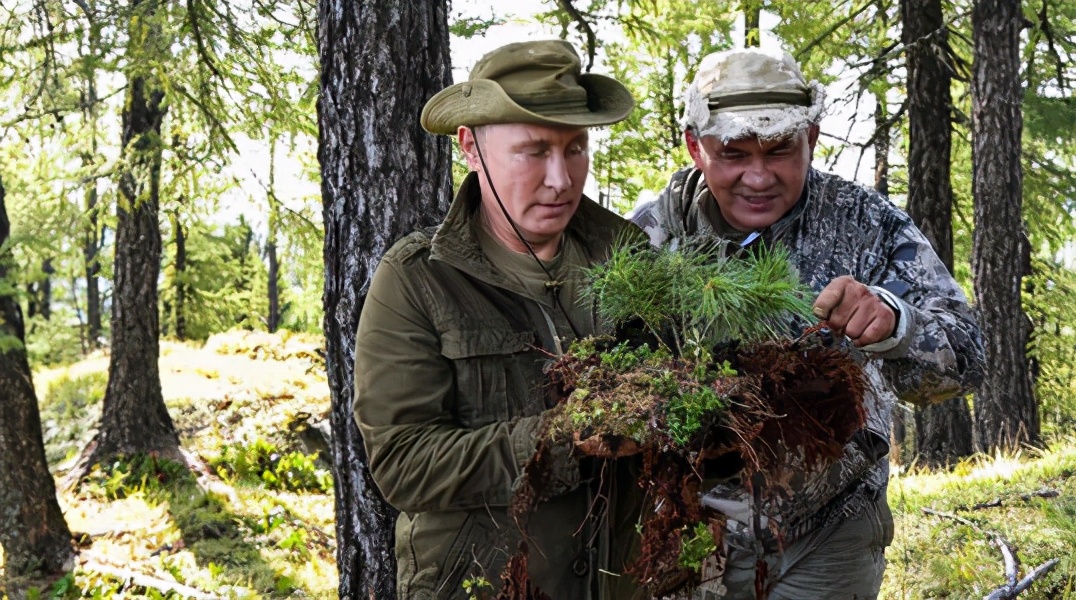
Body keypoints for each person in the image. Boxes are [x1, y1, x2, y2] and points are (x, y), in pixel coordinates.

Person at [631, 47, 986, 599]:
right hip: (689, 535)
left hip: (830, 534)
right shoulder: (650, 240)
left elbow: (966, 361)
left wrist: (896, 324)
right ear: (695, 147)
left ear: (812, 138)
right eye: (733, 153)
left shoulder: (867, 226)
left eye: (779, 150)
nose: (758, 175)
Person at [353, 40, 645, 599]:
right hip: (483, 585)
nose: (561, 179)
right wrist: (561, 440)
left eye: (576, 148)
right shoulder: (418, 279)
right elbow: (402, 463)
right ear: (471, 147)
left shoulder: (627, 258)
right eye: (534, 151)